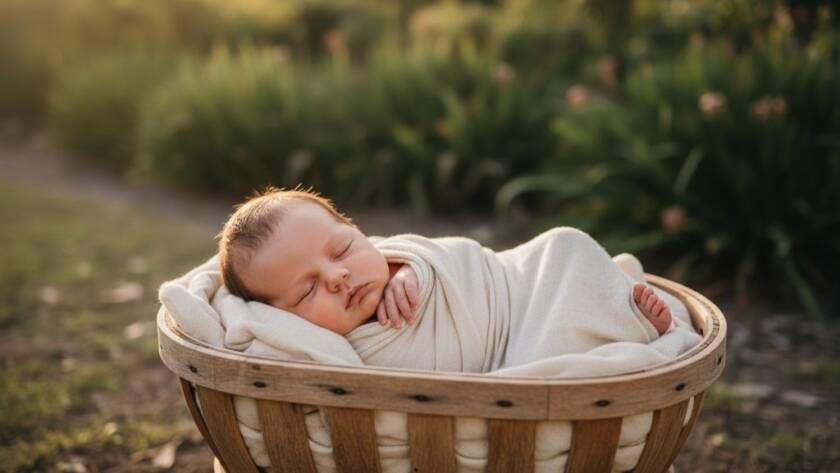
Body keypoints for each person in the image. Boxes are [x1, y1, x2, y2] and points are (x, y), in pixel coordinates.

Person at [217, 187, 673, 337]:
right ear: (278, 316)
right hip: (504, 344)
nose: (338, 277)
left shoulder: (397, 262)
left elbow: (459, 256)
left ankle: (612, 302)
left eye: (341, 250)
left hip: (512, 290)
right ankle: (617, 322)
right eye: (307, 290)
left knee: (562, 247)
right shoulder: (326, 351)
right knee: (554, 342)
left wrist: (418, 270)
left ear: (358, 231)